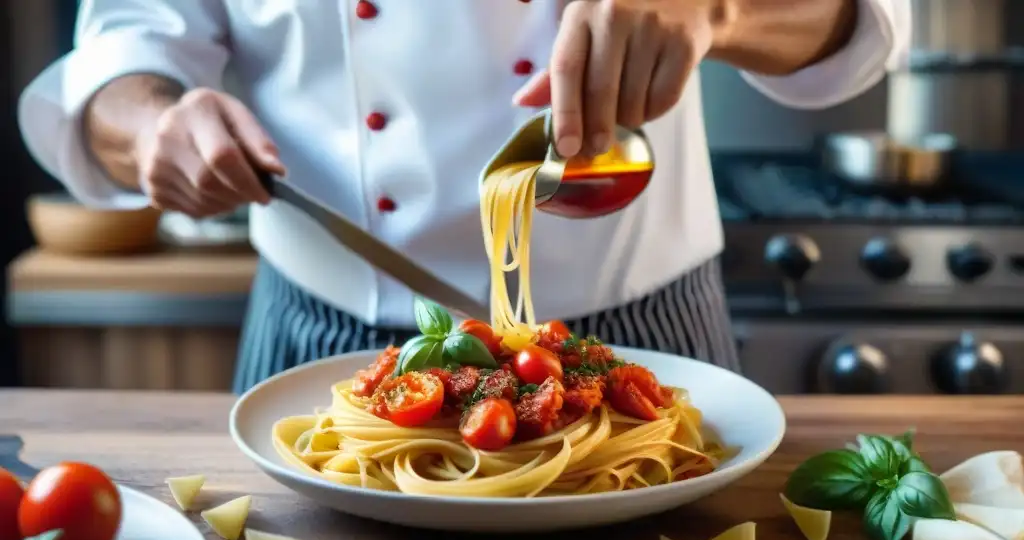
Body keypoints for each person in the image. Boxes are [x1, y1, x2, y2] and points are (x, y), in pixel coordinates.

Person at [19, 0, 911, 394]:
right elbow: (121, 52)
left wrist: (716, 9)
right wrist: (154, 129)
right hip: (322, 336)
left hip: (641, 331)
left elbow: (864, 23)